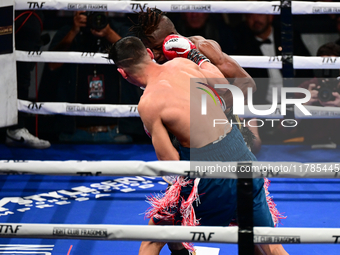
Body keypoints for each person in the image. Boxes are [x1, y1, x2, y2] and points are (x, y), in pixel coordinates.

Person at [108, 36, 288, 255]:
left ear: (122, 73)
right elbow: (224, 87)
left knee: (154, 237)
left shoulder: (148, 103)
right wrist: (195, 55)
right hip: (242, 156)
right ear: (149, 52)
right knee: (267, 243)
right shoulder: (182, 64)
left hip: (207, 176)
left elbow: (170, 164)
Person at [130, 7, 261, 153]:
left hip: (226, 117)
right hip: (188, 129)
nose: (154, 55)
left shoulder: (201, 47)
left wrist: (218, 105)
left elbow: (247, 83)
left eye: (157, 48)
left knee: (252, 145)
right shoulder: (150, 61)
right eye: (149, 49)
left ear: (171, 38)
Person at [38, 11, 134, 143]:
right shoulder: (68, 31)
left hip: (116, 132)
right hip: (73, 132)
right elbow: (52, 65)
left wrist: (108, 33)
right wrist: (73, 31)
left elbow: (135, 60)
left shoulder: (119, 30)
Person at [5, 10, 51, 149]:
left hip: (28, 14)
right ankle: (15, 130)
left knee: (22, 73)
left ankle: (16, 129)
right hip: (10, 10)